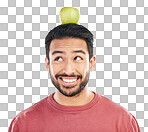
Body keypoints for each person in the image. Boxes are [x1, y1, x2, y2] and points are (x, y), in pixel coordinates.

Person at [9, 23, 140, 132]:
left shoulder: (123, 122)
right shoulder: (23, 124)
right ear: (48, 64)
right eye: (58, 58)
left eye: (77, 58)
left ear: (91, 63)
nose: (68, 70)